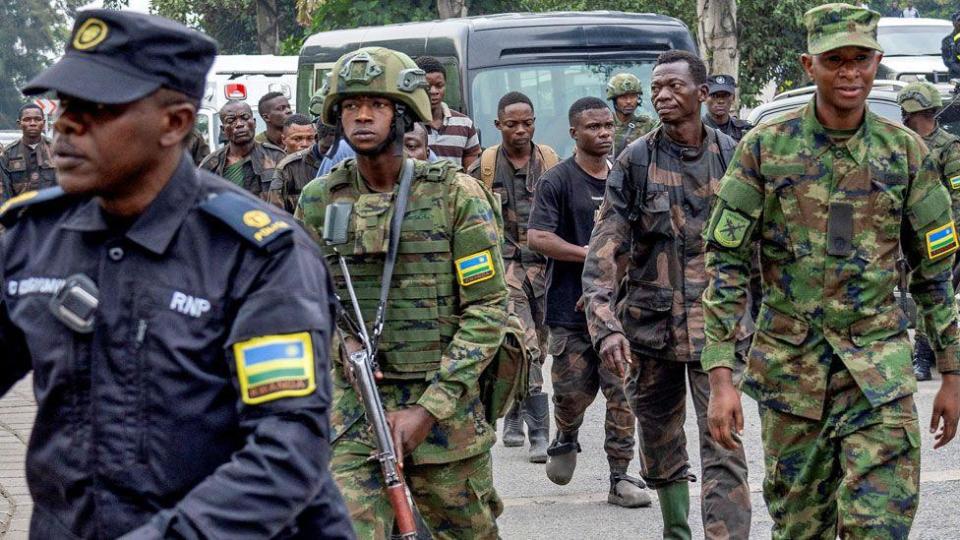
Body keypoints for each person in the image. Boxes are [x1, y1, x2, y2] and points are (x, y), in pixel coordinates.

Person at [6, 9, 353, 538]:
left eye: (96, 108)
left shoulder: (258, 256)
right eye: (66, 105)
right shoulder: (36, 236)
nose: (66, 126)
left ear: (174, 123)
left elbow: (286, 452)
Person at [703, 4, 960, 538]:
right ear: (808, 65)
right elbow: (726, 263)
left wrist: (952, 372)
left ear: (877, 63)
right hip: (793, 377)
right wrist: (721, 376)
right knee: (802, 529)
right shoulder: (764, 150)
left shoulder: (905, 154)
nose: (849, 73)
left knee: (880, 526)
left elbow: (934, 274)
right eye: (835, 60)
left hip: (879, 376)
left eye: (860, 60)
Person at [296, 46, 508, 539]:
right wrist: (340, 346)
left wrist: (429, 408)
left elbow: (488, 309)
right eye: (350, 106)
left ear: (404, 112)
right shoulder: (318, 198)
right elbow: (306, 301)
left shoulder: (456, 194)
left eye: (377, 104)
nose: (362, 116)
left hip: (443, 406)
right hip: (354, 407)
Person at [582, 50, 753, 539]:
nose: (661, 95)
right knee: (658, 444)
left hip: (716, 331)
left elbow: (766, 243)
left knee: (724, 445)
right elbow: (605, 246)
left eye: (674, 86)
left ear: (702, 95)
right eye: (656, 86)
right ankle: (676, 530)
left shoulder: (735, 157)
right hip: (649, 329)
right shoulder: (636, 161)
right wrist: (604, 323)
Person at [527, 97, 650, 509]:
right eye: (593, 127)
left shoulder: (626, 177)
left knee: (622, 393)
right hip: (568, 310)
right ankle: (567, 432)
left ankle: (620, 477)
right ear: (573, 133)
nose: (602, 133)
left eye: (607, 126)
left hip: (619, 313)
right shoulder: (557, 181)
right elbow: (537, 237)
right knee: (570, 392)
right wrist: (593, 255)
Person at [467, 91, 558, 462]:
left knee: (541, 345)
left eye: (527, 123)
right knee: (526, 343)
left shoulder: (551, 164)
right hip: (505, 270)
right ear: (498, 126)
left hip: (546, 269)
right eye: (511, 124)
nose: (520, 130)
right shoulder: (482, 170)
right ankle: (540, 432)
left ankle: (516, 412)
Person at [898, 81, 960, 381]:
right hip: (904, 234)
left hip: (940, 235)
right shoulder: (901, 144)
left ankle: (923, 355)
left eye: (909, 112)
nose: (905, 117)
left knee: (933, 293)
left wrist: (952, 239)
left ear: (926, 112)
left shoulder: (948, 147)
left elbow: (958, 199)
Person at [200, 100, 284, 199]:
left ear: (254, 122)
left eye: (245, 117)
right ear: (223, 130)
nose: (239, 124)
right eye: (231, 120)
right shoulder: (211, 164)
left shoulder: (277, 157)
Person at [415, 55, 481, 169]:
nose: (434, 91)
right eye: (427, 86)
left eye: (439, 86)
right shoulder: (407, 124)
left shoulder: (464, 124)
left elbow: (472, 175)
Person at [0, 103, 56, 202]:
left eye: (37, 119)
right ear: (19, 123)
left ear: (43, 123)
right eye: (27, 119)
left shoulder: (58, 151)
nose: (32, 123)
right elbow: (4, 193)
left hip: (54, 215)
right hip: (20, 215)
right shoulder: (7, 155)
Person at [607, 73, 657, 157]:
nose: (629, 101)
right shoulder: (605, 125)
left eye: (633, 96)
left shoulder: (648, 125)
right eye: (623, 97)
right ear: (615, 100)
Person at [703, 74, 753, 143]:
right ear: (705, 98)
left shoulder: (744, 130)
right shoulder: (697, 130)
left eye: (725, 95)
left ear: (733, 98)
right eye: (714, 95)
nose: (720, 101)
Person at [942, 12, 960, 80]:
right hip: (956, 77)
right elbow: (948, 60)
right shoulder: (947, 40)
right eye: (959, 20)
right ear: (953, 23)